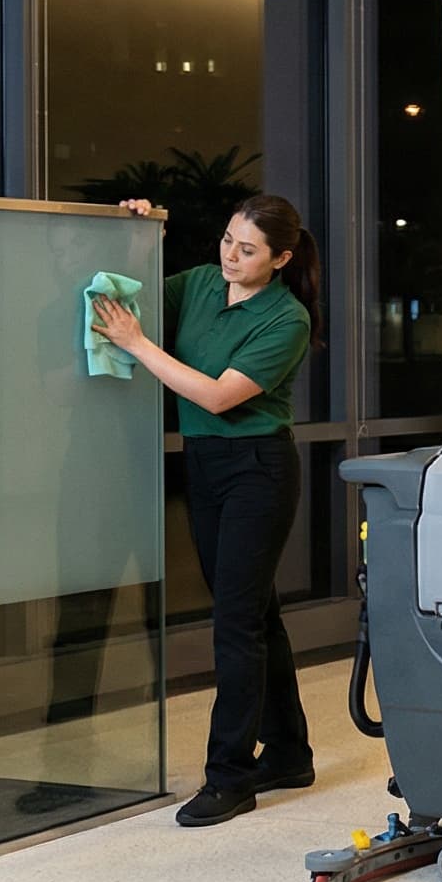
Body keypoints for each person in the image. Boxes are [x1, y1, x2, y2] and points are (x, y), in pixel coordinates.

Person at [91, 194, 319, 827]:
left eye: (247, 250)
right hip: (205, 465)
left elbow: (218, 397)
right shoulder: (196, 285)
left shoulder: (287, 319)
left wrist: (139, 346)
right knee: (255, 613)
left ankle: (230, 775)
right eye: (226, 241)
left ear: (281, 258)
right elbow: (117, 298)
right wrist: (129, 232)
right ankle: (291, 752)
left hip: (257, 470)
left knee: (236, 624)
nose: (230, 256)